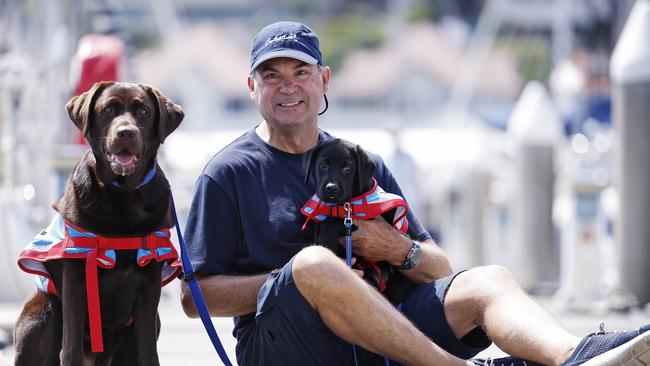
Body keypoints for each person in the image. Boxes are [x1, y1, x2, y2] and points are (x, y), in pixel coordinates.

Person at [181, 21, 650, 366]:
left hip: (382, 332)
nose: (288, 87)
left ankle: (577, 357)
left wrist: (395, 248)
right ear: (251, 87)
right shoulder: (227, 172)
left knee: (488, 279)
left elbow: (439, 269)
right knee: (313, 264)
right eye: (272, 75)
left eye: (300, 72)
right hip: (286, 345)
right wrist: (310, 283)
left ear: (324, 80)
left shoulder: (363, 164)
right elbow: (192, 297)